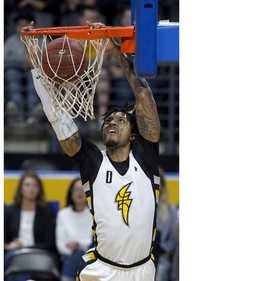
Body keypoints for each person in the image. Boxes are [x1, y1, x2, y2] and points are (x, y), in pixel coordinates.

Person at [23, 20, 161, 281]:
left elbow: (143, 96)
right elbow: (58, 119)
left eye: (120, 119)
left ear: (133, 133)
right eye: (108, 120)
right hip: (100, 270)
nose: (112, 122)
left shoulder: (145, 157)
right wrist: (36, 69)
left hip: (143, 271)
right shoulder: (93, 163)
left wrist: (115, 49)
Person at [4, 170, 57, 281]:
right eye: (27, 185)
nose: (31, 189)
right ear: (20, 189)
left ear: (39, 189)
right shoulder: (11, 211)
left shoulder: (46, 212)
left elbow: (50, 243)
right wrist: (8, 246)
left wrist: (24, 247)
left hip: (40, 252)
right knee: (13, 257)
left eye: (35, 186)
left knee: (18, 260)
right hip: (14, 252)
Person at [56, 177, 93, 281]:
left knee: (79, 255)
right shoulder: (63, 214)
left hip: (92, 258)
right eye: (76, 189)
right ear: (71, 193)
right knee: (76, 256)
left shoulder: (94, 213)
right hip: (68, 257)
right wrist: (80, 248)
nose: (79, 193)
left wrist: (78, 245)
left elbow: (95, 242)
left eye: (83, 189)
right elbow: (61, 246)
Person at [154, 167, 179, 281]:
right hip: (139, 256)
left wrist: (163, 249)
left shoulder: (171, 211)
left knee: (161, 269)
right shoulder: (136, 210)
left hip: (161, 256)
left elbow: (173, 241)